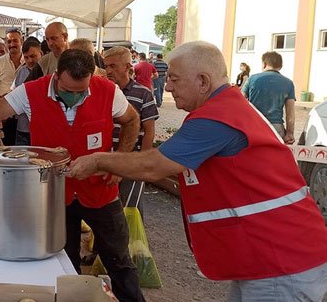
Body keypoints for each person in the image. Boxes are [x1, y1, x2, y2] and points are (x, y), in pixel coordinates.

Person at [68, 41, 327, 302]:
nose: (166, 87)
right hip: (271, 258)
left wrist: (99, 160)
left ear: (203, 81)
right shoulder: (227, 108)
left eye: (174, 79)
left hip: (281, 263)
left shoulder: (217, 117)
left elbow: (155, 165)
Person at [0, 49, 145, 302]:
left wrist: (119, 162)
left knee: (119, 261)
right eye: (69, 90)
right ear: (57, 76)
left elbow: (132, 121)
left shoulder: (109, 91)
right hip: (53, 196)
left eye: (82, 91)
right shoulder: (31, 92)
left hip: (100, 191)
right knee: (63, 264)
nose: (75, 96)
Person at [103, 47, 158, 217]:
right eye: (106, 66)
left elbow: (149, 131)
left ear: (127, 67)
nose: (108, 71)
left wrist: (143, 161)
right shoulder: (102, 91)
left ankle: (133, 242)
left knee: (130, 206)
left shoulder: (143, 93)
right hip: (106, 159)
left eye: (113, 66)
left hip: (131, 159)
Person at [242, 51, 295, 143]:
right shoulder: (288, 83)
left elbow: (240, 101)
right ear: (281, 66)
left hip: (253, 124)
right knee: (274, 156)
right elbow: (290, 112)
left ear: (264, 64)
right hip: (276, 127)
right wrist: (290, 133)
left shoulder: (252, 79)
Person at [0, 28, 25, 145]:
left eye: (15, 41)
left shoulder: (29, 60)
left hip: (24, 113)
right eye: (9, 42)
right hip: (4, 112)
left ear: (22, 41)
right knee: (4, 147)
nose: (12, 44)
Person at [12, 39, 42, 145]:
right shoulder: (21, 72)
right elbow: (14, 94)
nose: (29, 60)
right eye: (26, 57)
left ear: (41, 54)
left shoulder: (47, 72)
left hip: (42, 129)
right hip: (23, 128)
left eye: (33, 56)